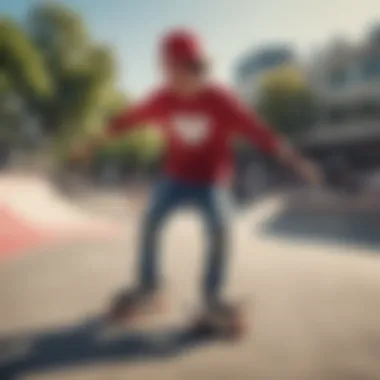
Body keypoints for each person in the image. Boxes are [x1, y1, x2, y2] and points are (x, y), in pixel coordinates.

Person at [72, 28, 322, 324]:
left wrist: (296, 160)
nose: (179, 83)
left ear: (197, 68)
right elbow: (126, 120)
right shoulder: (162, 99)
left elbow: (259, 132)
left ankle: (212, 297)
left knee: (219, 227)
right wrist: (91, 142)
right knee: (151, 220)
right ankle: (149, 287)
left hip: (212, 180)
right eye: (170, 74)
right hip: (175, 177)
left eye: (185, 74)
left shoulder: (222, 100)